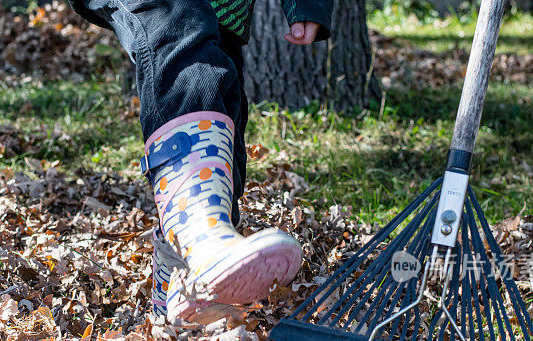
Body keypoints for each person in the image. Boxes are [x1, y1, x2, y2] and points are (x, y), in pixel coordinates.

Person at [67, 0, 334, 320]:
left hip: (224, 11)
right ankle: (205, 243)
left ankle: (184, 288)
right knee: (177, 31)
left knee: (221, 122)